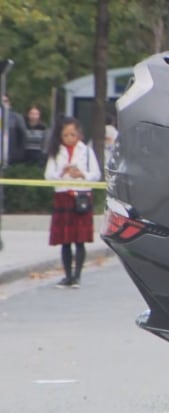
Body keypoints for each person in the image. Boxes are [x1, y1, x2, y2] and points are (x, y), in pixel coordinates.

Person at [44, 116, 101, 288]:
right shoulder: (56, 152)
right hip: (63, 196)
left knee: (79, 239)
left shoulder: (87, 151)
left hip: (81, 196)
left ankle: (77, 276)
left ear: (79, 135)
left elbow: (96, 175)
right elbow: (48, 176)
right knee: (65, 240)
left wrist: (82, 175)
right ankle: (67, 275)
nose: (69, 138)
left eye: (73, 135)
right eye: (66, 135)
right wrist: (62, 172)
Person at [1, 95, 28, 165]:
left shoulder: (16, 118)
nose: (2, 104)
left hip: (11, 157)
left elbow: (23, 135)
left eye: (5, 101)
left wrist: (18, 153)